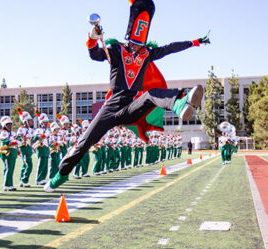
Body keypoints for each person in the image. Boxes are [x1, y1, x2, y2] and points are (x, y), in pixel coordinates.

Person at [45, 0, 209, 192]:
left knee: (150, 94)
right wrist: (92, 36)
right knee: (85, 141)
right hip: (111, 106)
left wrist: (195, 42)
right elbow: (94, 54)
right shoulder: (115, 50)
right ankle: (62, 174)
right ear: (128, 39)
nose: (136, 49)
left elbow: (170, 48)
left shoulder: (146, 53)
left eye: (140, 45)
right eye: (134, 44)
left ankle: (181, 105)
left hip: (131, 107)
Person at [0, 116, 19, 191]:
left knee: (11, 169)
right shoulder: (4, 133)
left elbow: (17, 139)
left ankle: (10, 184)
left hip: (13, 152)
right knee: (8, 168)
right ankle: (6, 185)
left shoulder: (13, 133)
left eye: (10, 124)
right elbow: (5, 141)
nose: (10, 126)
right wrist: (12, 142)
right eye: (8, 124)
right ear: (4, 125)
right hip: (7, 153)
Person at [16, 108, 34, 188]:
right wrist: (26, 137)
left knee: (25, 165)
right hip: (24, 149)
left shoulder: (30, 129)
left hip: (28, 149)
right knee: (29, 165)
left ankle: (22, 180)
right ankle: (24, 180)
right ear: (25, 121)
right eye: (29, 120)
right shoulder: (21, 129)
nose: (31, 122)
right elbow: (19, 138)